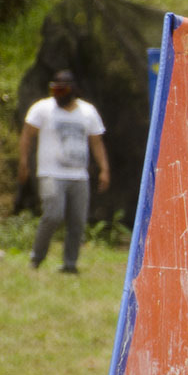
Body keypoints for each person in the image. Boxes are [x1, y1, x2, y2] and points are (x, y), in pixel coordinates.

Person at [17, 70, 110, 273]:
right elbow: (27, 135)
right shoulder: (42, 108)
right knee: (53, 214)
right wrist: (23, 162)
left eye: (63, 90)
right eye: (55, 89)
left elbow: (96, 142)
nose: (58, 94)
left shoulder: (88, 112)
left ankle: (70, 265)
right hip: (51, 173)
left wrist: (104, 168)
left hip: (79, 176)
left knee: (77, 220)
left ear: (73, 90)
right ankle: (36, 259)